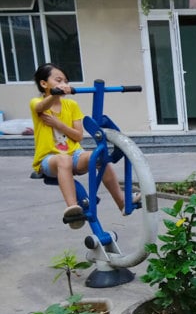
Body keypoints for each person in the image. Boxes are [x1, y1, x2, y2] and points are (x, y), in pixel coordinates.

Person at [30, 63, 138, 229]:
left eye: (66, 81)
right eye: (58, 80)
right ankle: (73, 209)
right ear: (44, 84)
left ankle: (121, 201)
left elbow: (78, 135)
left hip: (74, 155)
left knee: (99, 156)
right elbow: (40, 107)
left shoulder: (71, 106)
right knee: (63, 160)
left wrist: (58, 124)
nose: (64, 84)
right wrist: (54, 94)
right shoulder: (37, 102)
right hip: (48, 160)